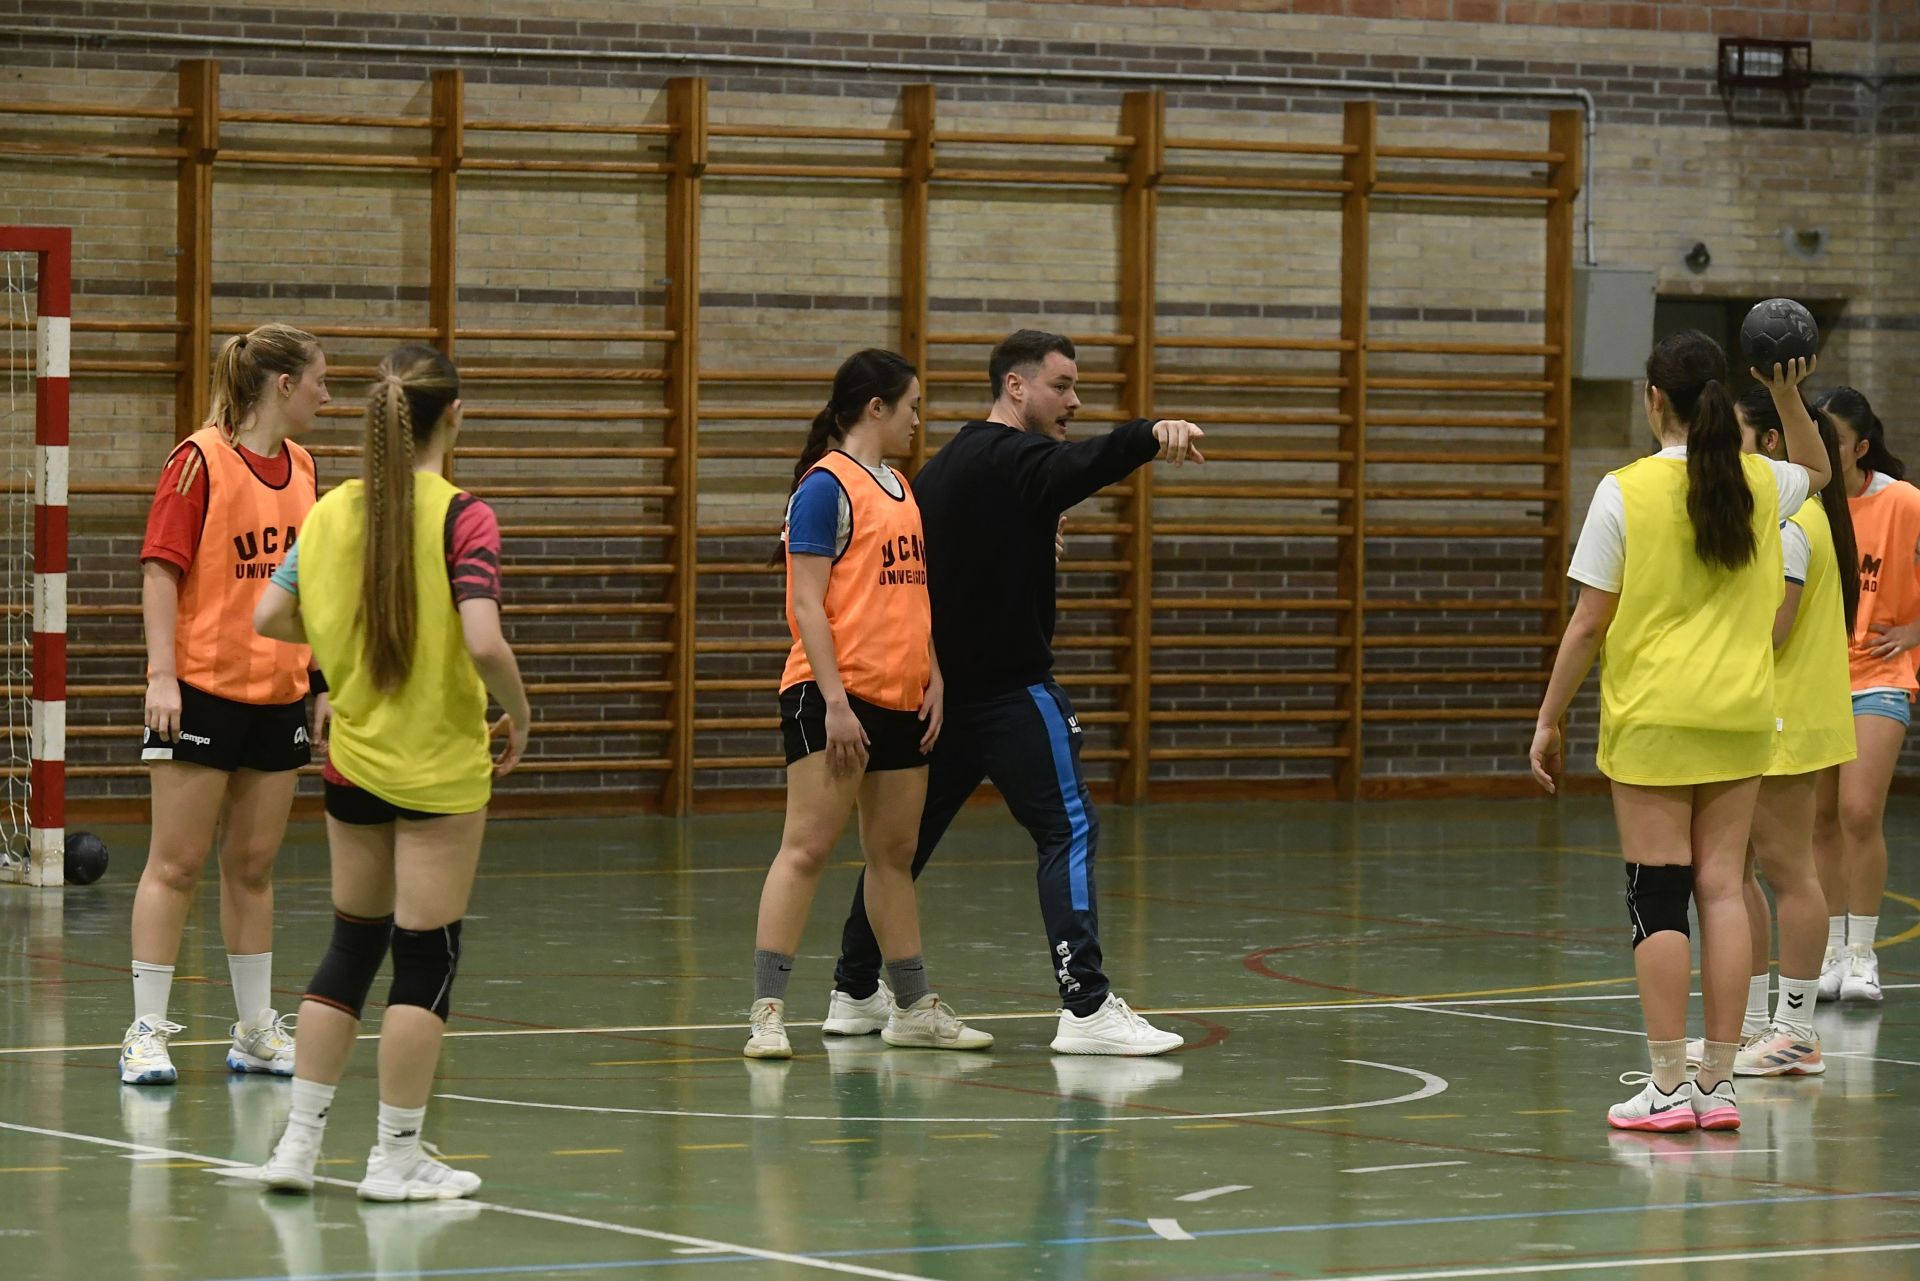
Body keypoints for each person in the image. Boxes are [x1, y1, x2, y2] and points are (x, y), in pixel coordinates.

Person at [822, 329, 1202, 1056]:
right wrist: (1151, 434)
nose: (1075, 400)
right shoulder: (1016, 457)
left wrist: (1028, 537)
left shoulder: (947, 468)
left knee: (900, 849)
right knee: (1067, 829)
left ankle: (855, 988)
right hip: (1009, 692)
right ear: (1016, 388)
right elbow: (1084, 462)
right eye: (1061, 385)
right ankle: (1087, 1005)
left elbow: (930, 558)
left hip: (939, 699)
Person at [250, 343, 531, 1201]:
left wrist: (343, 653)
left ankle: (296, 1146)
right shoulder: (462, 515)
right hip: (439, 766)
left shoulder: (332, 511)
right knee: (425, 957)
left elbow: (270, 612)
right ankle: (395, 1155)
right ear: (456, 414)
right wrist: (519, 711)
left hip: (354, 763)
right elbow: (482, 639)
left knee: (351, 945)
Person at [1530, 334, 1828, 1132]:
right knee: (1725, 890)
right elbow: (1822, 471)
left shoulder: (1622, 491)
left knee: (1656, 894)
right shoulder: (1762, 481)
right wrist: (1789, 392)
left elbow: (1590, 622)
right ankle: (1719, 1087)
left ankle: (1667, 1087)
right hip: (1739, 715)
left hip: (1655, 718)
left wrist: (1549, 716)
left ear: (1651, 398)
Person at [746, 349, 991, 1060]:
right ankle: (767, 1011)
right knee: (808, 847)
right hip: (832, 696)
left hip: (900, 697)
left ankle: (912, 1004)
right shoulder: (826, 487)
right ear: (876, 408)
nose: (919, 419)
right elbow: (806, 604)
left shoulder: (900, 488)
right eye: (911, 405)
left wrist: (934, 671)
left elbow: (909, 595)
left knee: (894, 853)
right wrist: (835, 703)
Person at [122, 323, 329, 1087]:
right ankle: (146, 1031)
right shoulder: (198, 460)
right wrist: (162, 674)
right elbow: (158, 571)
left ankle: (253, 1031)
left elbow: (318, 590)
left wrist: (321, 683)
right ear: (282, 386)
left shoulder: (306, 468)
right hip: (200, 690)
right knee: (174, 864)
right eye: (318, 382)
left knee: (253, 866)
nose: (326, 396)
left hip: (278, 693)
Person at [1715, 387, 1858, 1076]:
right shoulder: (1786, 515)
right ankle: (1748, 1027)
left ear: (1771, 444)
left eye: (1737, 437)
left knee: (1788, 871)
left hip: (1785, 717)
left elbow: (1773, 629)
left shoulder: (1793, 522)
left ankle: (1796, 1030)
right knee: (1736, 873)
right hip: (1757, 717)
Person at [1810, 385, 1919, 1005]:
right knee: (1819, 819)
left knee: (1858, 813)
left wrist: (1915, 628)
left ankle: (1861, 953)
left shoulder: (1902, 501)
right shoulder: (1809, 504)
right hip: (1816, 678)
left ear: (1861, 447)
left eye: (1835, 438)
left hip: (1881, 674)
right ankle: (1826, 952)